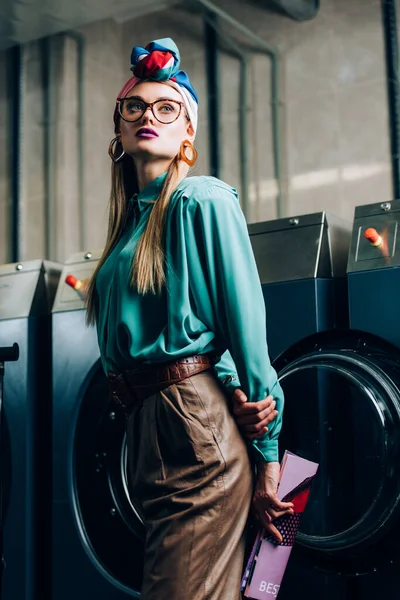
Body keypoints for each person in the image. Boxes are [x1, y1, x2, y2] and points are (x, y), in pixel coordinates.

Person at [85, 37, 293, 600]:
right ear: (119, 132)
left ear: (188, 134)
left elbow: (244, 330)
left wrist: (270, 455)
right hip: (150, 428)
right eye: (136, 107)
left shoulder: (200, 200)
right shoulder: (130, 227)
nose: (149, 116)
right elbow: (199, 336)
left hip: (190, 428)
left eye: (167, 108)